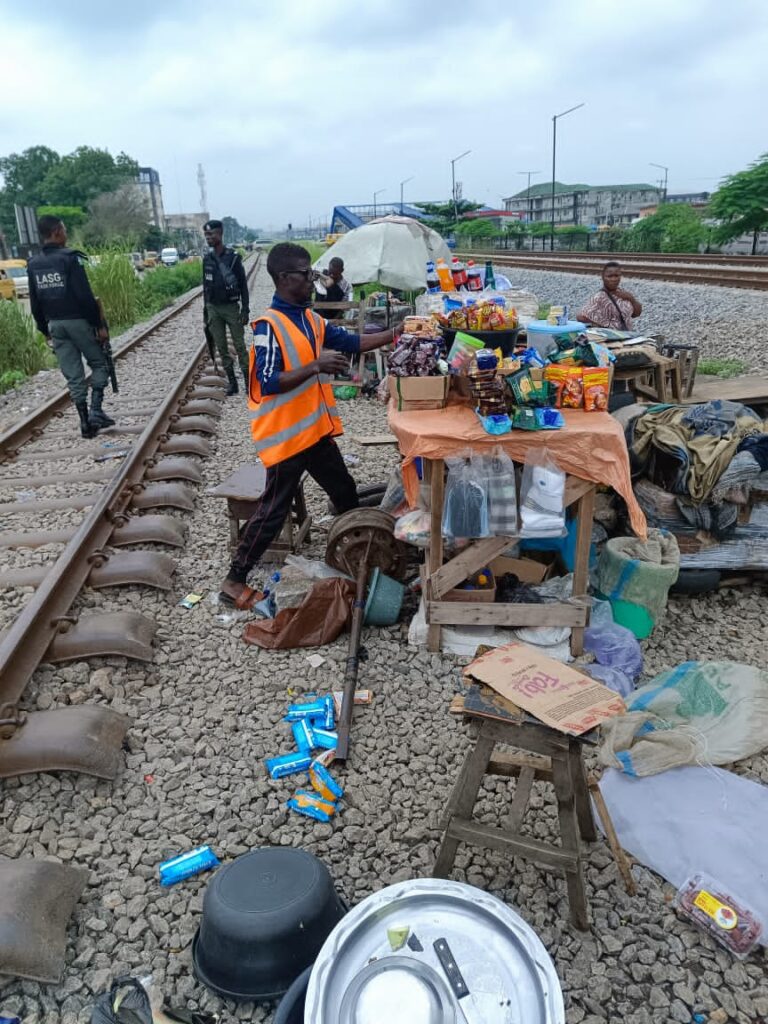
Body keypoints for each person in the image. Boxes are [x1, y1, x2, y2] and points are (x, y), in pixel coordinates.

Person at [218, 242, 395, 605]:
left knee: (344, 490)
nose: (312, 281)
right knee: (273, 510)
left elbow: (353, 341)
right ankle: (234, 580)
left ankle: (363, 552)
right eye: (306, 275)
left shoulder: (309, 319)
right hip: (286, 439)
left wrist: (397, 333)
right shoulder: (269, 326)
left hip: (312, 433)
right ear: (284, 278)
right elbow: (268, 381)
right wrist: (316, 365)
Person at [28, 215, 114, 439]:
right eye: (64, 230)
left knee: (73, 376)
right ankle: (96, 411)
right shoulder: (71, 258)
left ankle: (85, 424)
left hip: (55, 325)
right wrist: (99, 325)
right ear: (57, 232)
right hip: (79, 322)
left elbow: (35, 302)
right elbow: (84, 296)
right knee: (99, 364)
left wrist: (44, 330)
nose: (66, 234)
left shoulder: (33, 263)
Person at [202, 219, 250, 396]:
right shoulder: (206, 258)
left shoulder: (233, 257)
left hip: (231, 307)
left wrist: (245, 309)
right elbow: (205, 287)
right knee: (221, 347)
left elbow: (243, 285)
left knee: (239, 345)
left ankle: (248, 382)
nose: (209, 237)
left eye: (212, 234)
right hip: (213, 308)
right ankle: (232, 383)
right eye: (206, 234)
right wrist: (206, 312)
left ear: (220, 234)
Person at [576, 261, 642, 331]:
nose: (614, 279)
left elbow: (636, 314)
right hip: (613, 338)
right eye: (610, 276)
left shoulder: (624, 294)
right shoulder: (600, 297)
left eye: (616, 275)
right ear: (603, 277)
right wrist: (604, 326)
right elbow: (580, 316)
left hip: (627, 336)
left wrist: (631, 299)